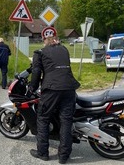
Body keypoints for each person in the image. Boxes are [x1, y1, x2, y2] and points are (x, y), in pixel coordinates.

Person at [28, 30, 80, 164]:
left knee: (43, 118)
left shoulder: (39, 53)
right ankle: (64, 156)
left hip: (51, 89)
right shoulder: (64, 50)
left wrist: (32, 87)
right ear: (55, 38)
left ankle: (43, 153)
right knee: (66, 121)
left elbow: (36, 72)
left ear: (44, 39)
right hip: (69, 88)